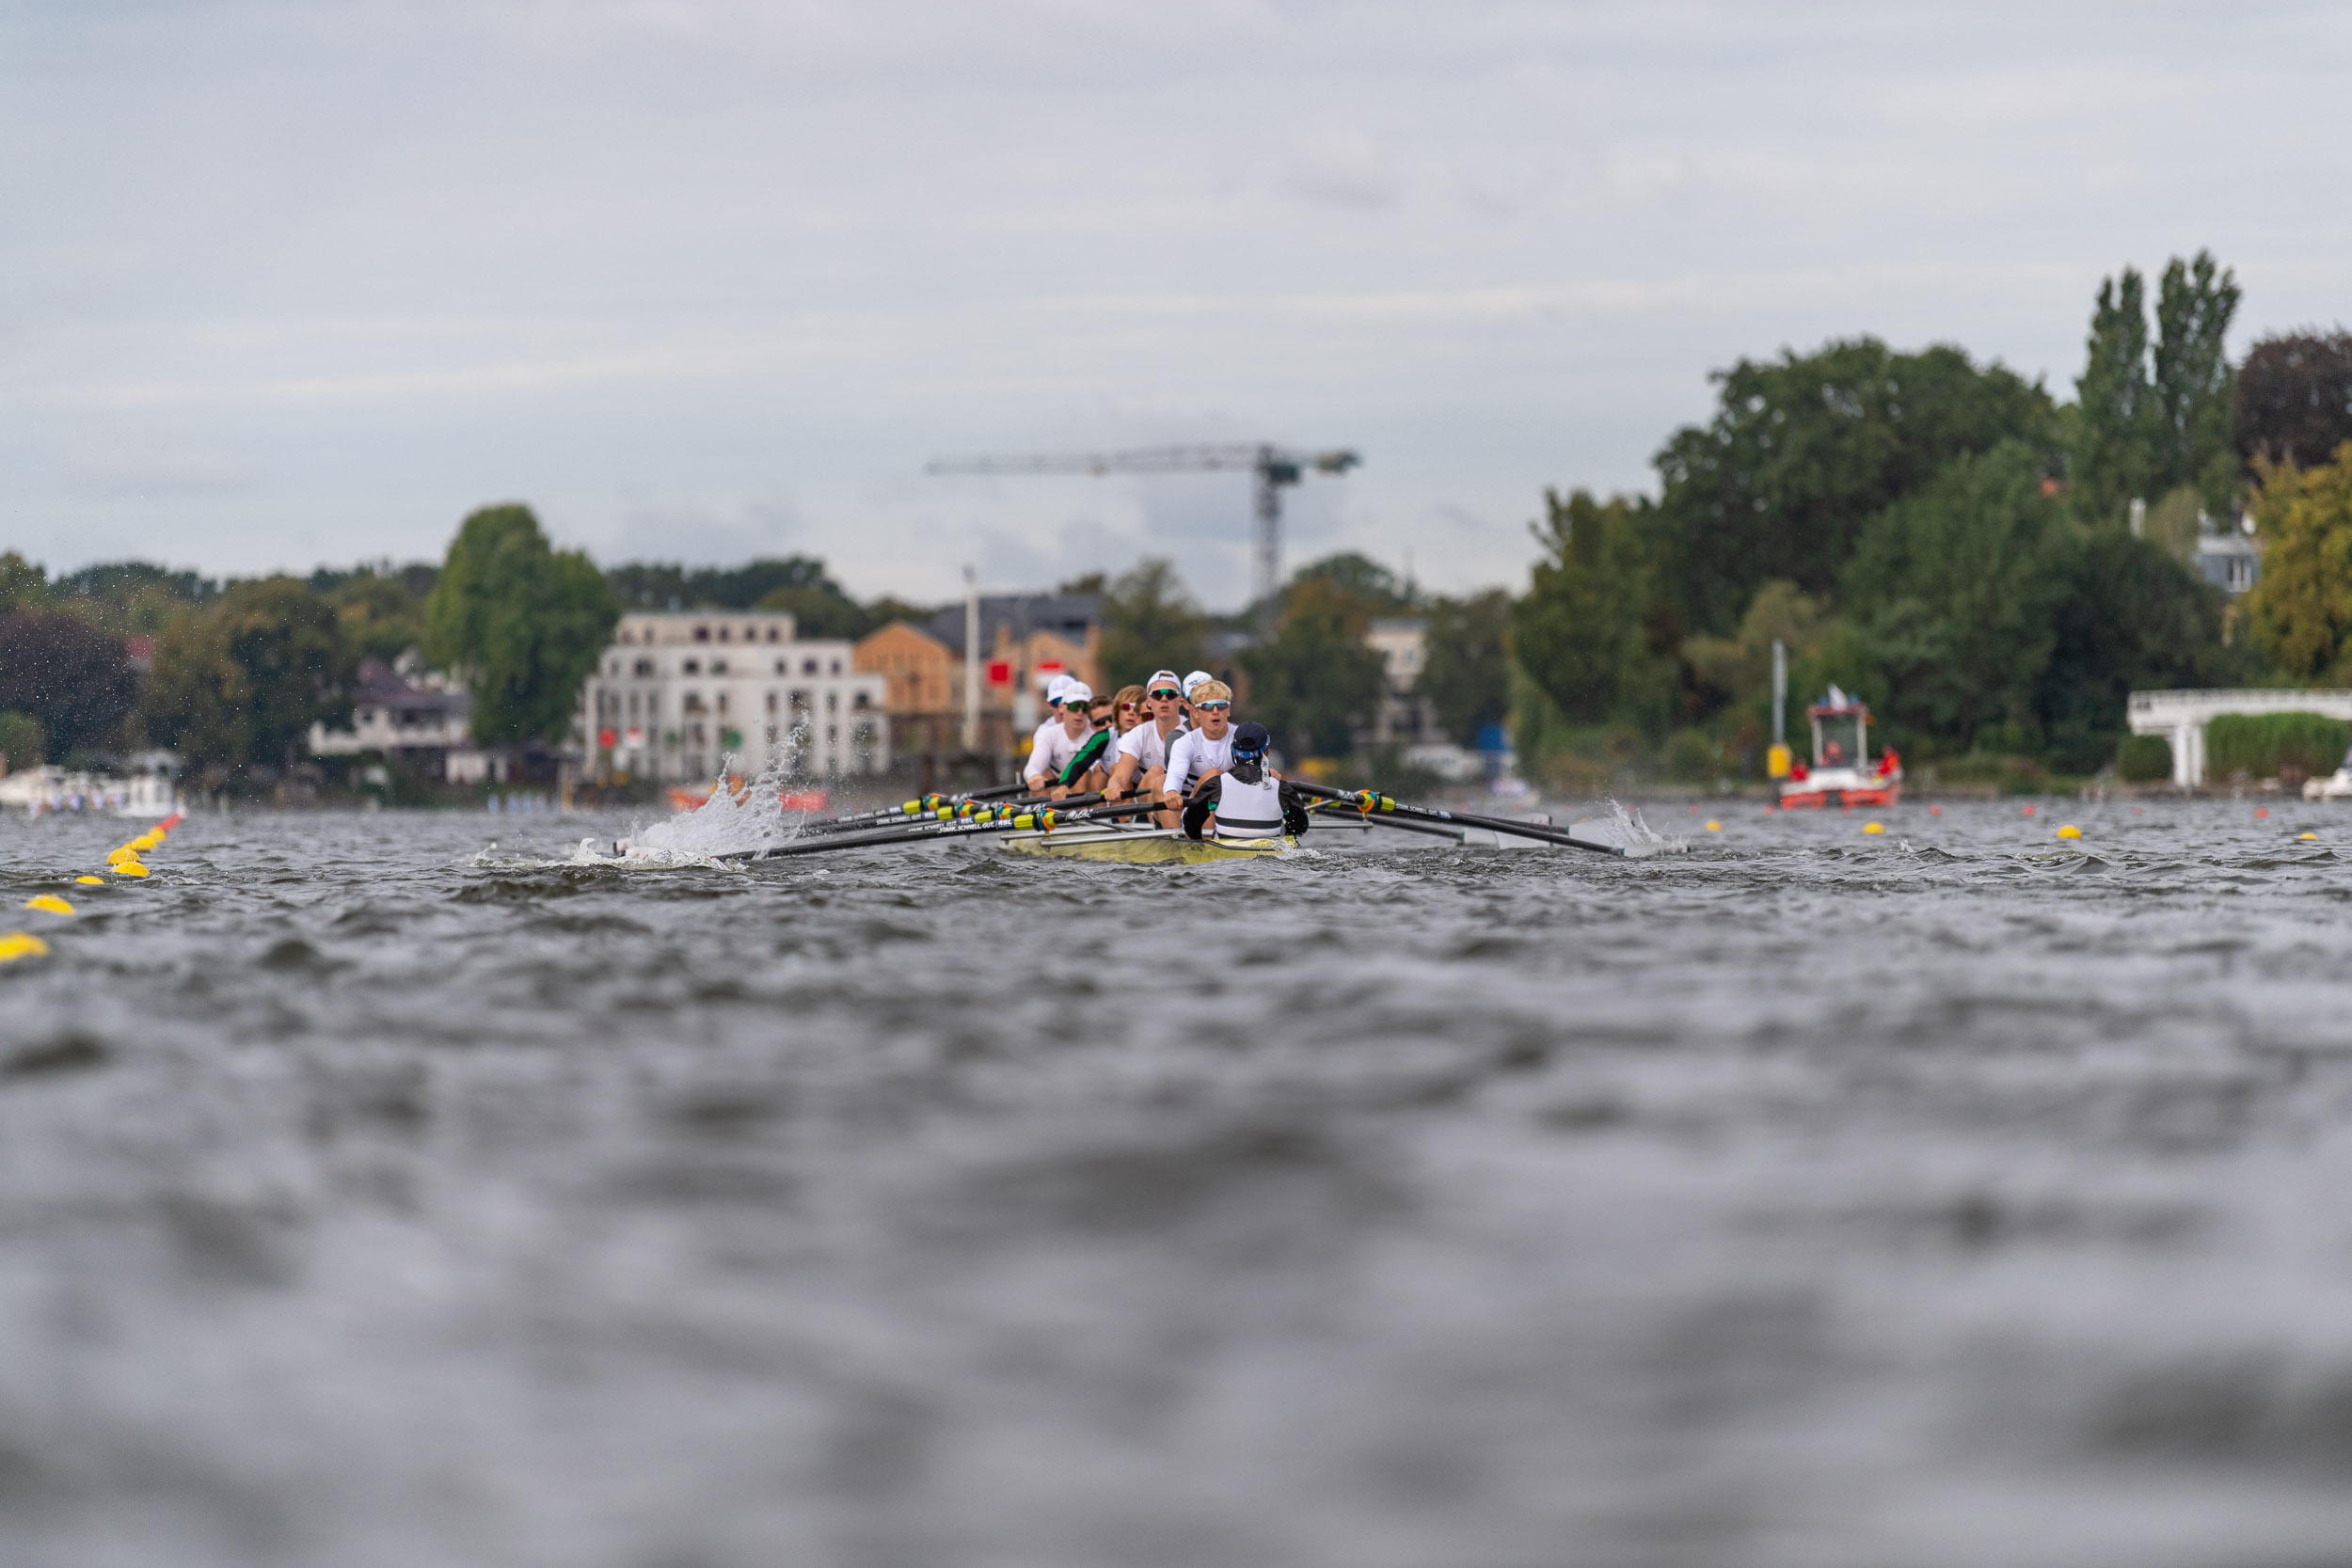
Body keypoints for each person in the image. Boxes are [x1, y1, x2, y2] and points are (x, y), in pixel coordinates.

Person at [1181, 721, 1310, 843]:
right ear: (1266, 752)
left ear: (1233, 752)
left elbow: (1191, 823)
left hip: (1223, 860)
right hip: (1270, 860)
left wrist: (1198, 841)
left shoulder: (1215, 786)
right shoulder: (1282, 790)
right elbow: (1300, 827)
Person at [1161, 679, 1234, 826]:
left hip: (1236, 806)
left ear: (1228, 710)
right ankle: (1203, 842)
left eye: (1221, 706)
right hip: (1195, 815)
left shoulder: (1242, 738)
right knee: (1213, 776)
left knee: (1272, 774)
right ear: (1195, 712)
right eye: (1207, 707)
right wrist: (1171, 792)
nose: (1215, 711)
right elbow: (1175, 776)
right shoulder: (1185, 742)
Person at [1106, 670, 1184, 802]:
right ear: (1148, 702)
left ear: (1181, 701)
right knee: (1156, 772)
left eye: (1171, 694)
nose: (1164, 699)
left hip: (1185, 799)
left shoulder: (1191, 732)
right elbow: (1120, 776)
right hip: (1147, 800)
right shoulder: (1138, 734)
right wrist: (1114, 786)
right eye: (1157, 694)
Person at [1025, 681, 1096, 797]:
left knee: (1084, 774)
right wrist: (1034, 776)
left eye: (1085, 707)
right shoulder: (1048, 734)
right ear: (1062, 707)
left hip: (1086, 785)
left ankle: (1080, 813)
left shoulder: (1097, 735)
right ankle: (1045, 812)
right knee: (1042, 776)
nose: (1079, 713)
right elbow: (1032, 766)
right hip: (1054, 781)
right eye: (1074, 706)